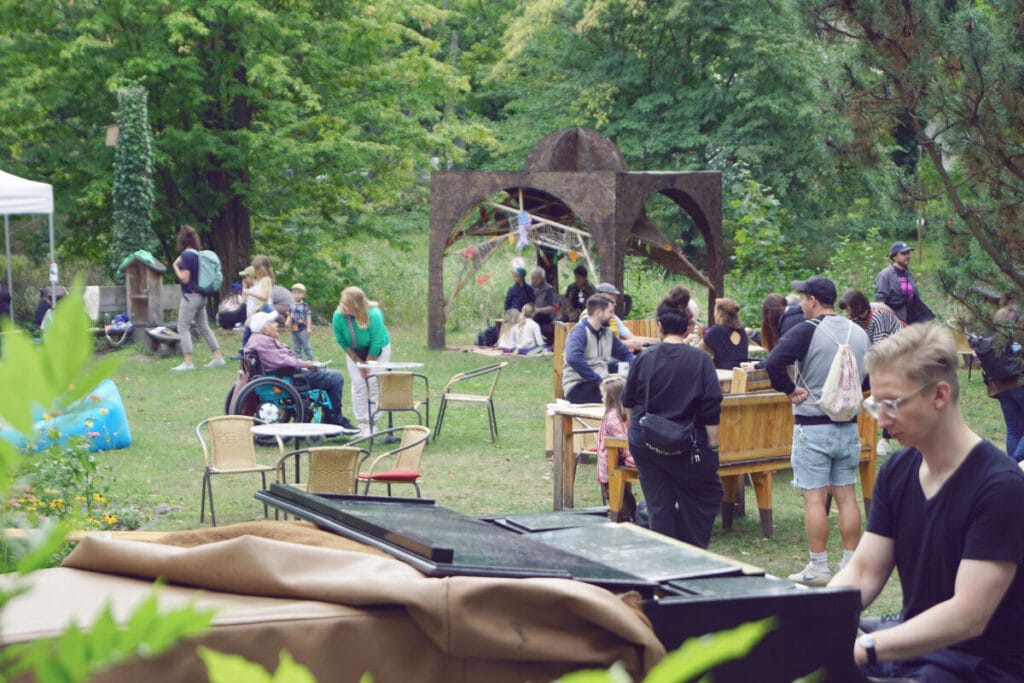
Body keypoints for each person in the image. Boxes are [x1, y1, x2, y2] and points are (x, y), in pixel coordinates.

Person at [831, 323, 1024, 681]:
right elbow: (865, 570)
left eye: (892, 404)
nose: (883, 422)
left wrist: (867, 646)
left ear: (939, 394)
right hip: (914, 657)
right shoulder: (898, 472)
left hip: (979, 669)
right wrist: (814, 618)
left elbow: (969, 616)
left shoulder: (1000, 487)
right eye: (875, 405)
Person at [764, 275, 870, 585]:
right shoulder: (859, 333)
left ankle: (818, 565)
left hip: (813, 425)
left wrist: (789, 389)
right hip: (848, 427)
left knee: (814, 498)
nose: (798, 303)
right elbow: (867, 377)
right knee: (847, 496)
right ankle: (850, 564)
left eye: (801, 298)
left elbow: (773, 363)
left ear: (812, 300)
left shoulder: (806, 331)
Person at [622, 286, 723, 547]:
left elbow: (629, 403)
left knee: (659, 505)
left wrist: (639, 434)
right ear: (688, 329)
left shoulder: (644, 358)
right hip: (689, 445)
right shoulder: (701, 361)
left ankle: (664, 557)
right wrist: (713, 449)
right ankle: (693, 551)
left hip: (646, 443)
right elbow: (712, 410)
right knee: (702, 496)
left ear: (658, 326)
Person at [244, 311, 358, 434]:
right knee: (335, 377)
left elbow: (280, 360)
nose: (276, 324)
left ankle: (330, 418)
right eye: (272, 323)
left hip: (283, 376)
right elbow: (281, 361)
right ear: (265, 329)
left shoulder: (257, 340)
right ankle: (334, 418)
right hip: (288, 379)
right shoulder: (262, 341)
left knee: (329, 375)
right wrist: (305, 364)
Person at [332, 286, 392, 437]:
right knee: (358, 384)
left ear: (356, 305)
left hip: (378, 350)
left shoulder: (374, 314)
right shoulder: (338, 316)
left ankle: (372, 423)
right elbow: (340, 339)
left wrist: (367, 364)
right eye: (342, 303)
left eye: (346, 304)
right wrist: (357, 360)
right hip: (354, 351)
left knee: (373, 382)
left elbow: (377, 341)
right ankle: (362, 423)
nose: (342, 307)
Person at [170, 225, 225, 371]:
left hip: (190, 297)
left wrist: (175, 266)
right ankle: (218, 357)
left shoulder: (186, 256)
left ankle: (188, 362)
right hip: (202, 296)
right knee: (204, 327)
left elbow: (184, 278)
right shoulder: (198, 254)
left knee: (182, 326)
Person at [562, 295, 633, 404]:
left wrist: (637, 369)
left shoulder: (607, 333)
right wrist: (598, 380)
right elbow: (573, 358)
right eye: (610, 312)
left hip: (600, 383)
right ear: (599, 313)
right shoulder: (580, 332)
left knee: (635, 388)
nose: (613, 316)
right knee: (624, 393)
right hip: (578, 387)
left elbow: (626, 354)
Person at [984, 299, 1024, 462]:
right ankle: (1015, 465)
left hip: (1001, 383)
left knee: (1014, 430)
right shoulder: (1020, 316)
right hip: (1020, 380)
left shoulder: (1000, 314)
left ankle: (1013, 471)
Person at [597, 374, 636, 520]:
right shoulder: (626, 413)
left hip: (611, 461)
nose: (601, 398)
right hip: (620, 457)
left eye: (603, 394)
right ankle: (630, 515)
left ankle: (622, 517)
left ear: (611, 397)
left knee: (614, 492)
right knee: (625, 493)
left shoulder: (612, 417)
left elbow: (621, 440)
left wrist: (630, 456)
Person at [579, 282, 657, 351]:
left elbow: (632, 338)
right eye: (612, 300)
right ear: (600, 298)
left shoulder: (614, 318)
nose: (615, 304)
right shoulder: (587, 318)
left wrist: (659, 341)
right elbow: (598, 344)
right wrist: (627, 343)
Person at [875, 241, 935, 323]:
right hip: (896, 322)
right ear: (894, 257)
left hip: (914, 320)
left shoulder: (908, 273)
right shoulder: (885, 275)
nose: (907, 256)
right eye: (903, 253)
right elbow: (880, 302)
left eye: (908, 253)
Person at [838, 288, 905, 345]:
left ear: (858, 307)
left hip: (898, 345)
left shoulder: (878, 317)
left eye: (847, 310)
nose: (845, 314)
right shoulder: (856, 316)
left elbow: (879, 348)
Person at [698, 298, 749, 370]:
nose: (714, 314)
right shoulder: (741, 330)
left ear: (720, 312)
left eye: (714, 310)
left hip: (723, 374)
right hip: (741, 374)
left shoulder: (717, 329)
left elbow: (699, 349)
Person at [529, 267, 557, 344]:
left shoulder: (548, 289)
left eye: (536, 278)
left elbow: (552, 307)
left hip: (545, 316)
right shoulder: (529, 287)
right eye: (532, 278)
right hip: (530, 315)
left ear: (541, 278)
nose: (534, 280)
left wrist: (538, 310)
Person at [287, 283, 314, 361]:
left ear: (303, 294)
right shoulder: (291, 305)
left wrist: (309, 328)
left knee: (306, 346)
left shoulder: (305, 305)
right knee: (296, 347)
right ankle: (299, 362)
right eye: (295, 293)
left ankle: (310, 360)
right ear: (292, 294)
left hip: (303, 329)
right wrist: (287, 321)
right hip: (294, 329)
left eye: (299, 293)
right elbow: (289, 314)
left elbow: (308, 316)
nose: (297, 295)